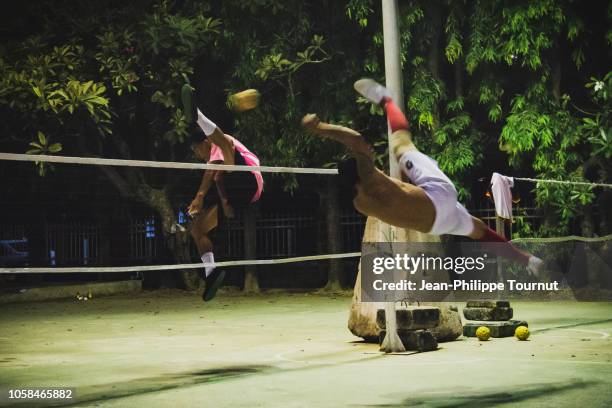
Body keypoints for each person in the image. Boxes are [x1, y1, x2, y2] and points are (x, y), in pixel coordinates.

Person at [301, 78, 542, 275]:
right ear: (357, 176)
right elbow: (355, 141)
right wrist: (319, 128)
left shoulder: (359, 205)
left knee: (479, 231)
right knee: (400, 145)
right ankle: (386, 100)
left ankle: (528, 261)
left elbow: (397, 196)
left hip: (437, 224)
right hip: (438, 195)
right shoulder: (367, 175)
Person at [183, 87, 264, 301]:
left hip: (249, 176)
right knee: (197, 229)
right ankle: (211, 272)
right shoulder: (216, 162)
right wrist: (226, 202)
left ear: (205, 142)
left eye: (196, 150)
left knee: (226, 146)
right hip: (237, 191)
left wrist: (200, 197)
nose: (197, 154)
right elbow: (217, 178)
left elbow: (213, 172)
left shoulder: (219, 145)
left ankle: (198, 115)